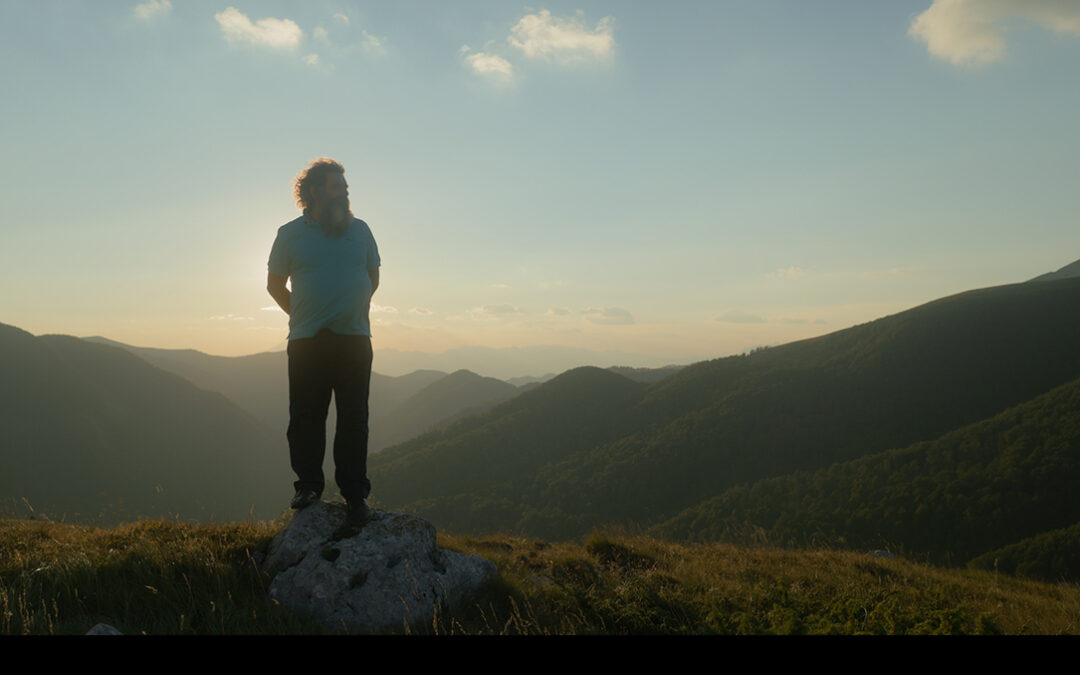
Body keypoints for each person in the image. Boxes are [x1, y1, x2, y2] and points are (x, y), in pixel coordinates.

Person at [266, 158, 380, 525]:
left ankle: (354, 494)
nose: (344, 192)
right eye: (336, 186)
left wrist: (351, 308)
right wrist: (302, 315)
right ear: (314, 191)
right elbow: (274, 285)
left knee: (354, 418)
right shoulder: (289, 234)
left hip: (354, 339)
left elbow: (372, 276)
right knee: (305, 416)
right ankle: (308, 486)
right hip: (308, 340)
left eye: (345, 187)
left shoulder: (361, 230)